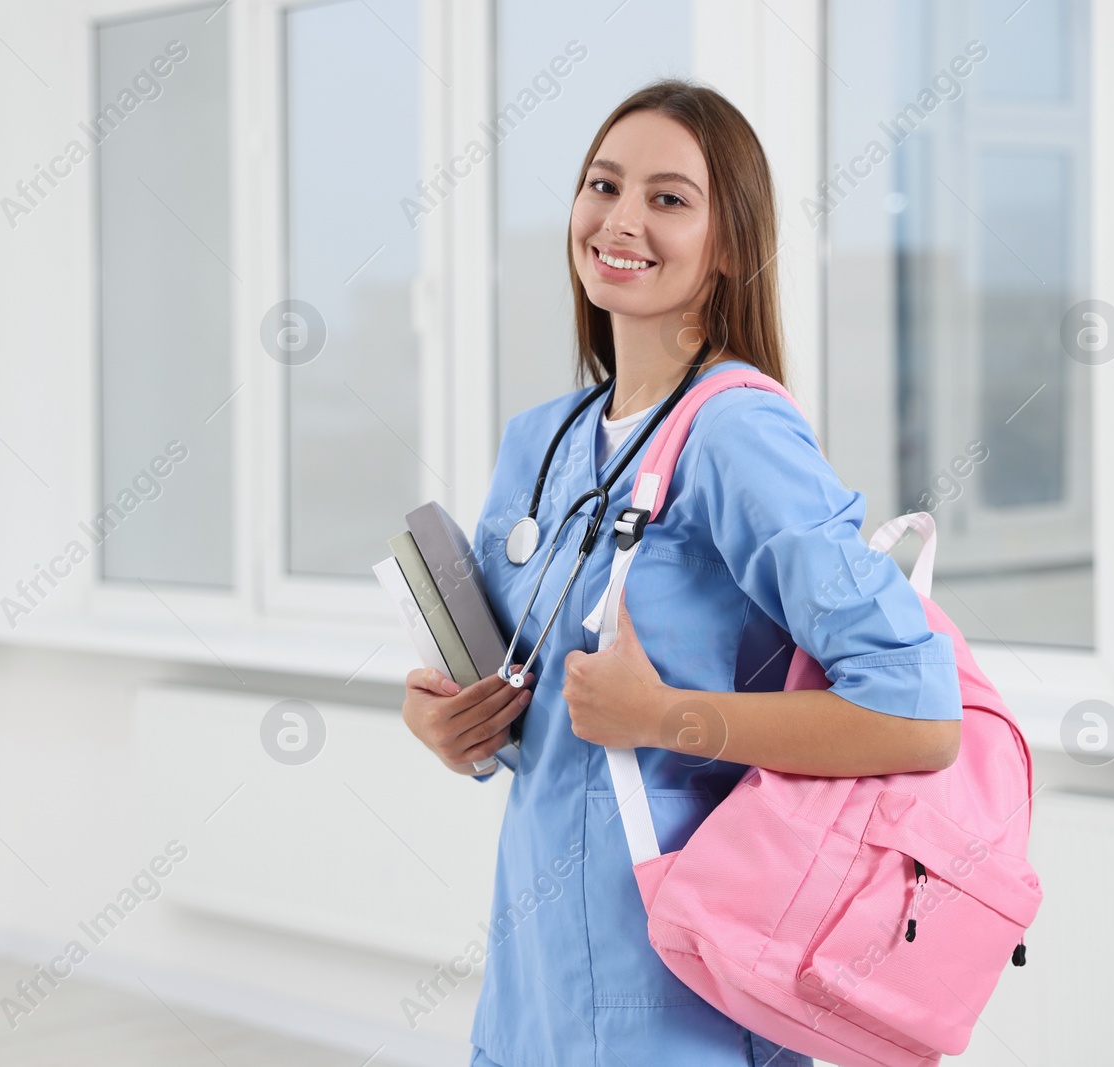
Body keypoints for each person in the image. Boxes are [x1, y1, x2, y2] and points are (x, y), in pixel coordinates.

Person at [400, 78, 964, 1067]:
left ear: (730, 246)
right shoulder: (540, 441)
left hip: (681, 1008)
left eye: (667, 198)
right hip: (532, 999)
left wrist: (668, 718)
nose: (621, 219)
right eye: (602, 185)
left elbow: (919, 717)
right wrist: (452, 726)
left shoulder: (739, 434)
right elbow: (534, 717)